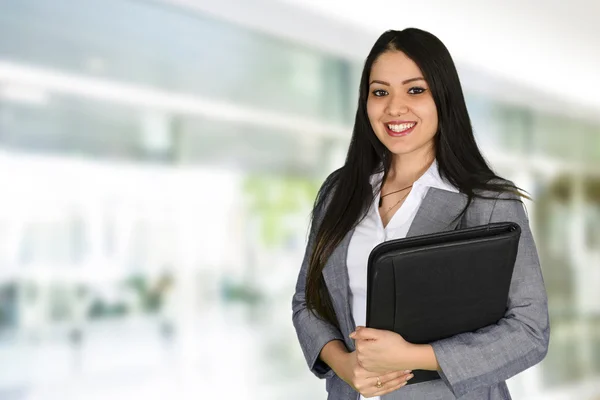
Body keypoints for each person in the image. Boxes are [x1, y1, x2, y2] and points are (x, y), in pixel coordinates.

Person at [291, 28, 550, 400]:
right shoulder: (341, 192)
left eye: (415, 90)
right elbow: (307, 301)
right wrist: (343, 364)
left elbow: (529, 330)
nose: (395, 107)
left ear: (443, 98)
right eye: (380, 92)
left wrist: (414, 356)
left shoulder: (488, 200)